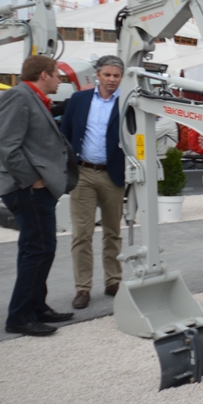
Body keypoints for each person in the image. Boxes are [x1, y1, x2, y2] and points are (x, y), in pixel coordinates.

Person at [0, 55, 79, 336]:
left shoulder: (32, 98)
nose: (59, 80)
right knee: (40, 250)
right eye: (57, 75)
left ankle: (36, 306)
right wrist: (34, 181)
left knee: (35, 250)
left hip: (33, 189)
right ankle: (19, 317)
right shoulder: (18, 97)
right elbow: (5, 145)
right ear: (44, 74)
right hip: (27, 189)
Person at [60, 55, 126, 310]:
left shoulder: (126, 102)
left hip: (113, 174)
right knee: (82, 234)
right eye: (107, 74)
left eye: (116, 75)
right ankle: (83, 288)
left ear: (121, 78)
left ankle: (113, 281)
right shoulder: (79, 100)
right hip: (84, 173)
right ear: (97, 75)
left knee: (113, 232)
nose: (111, 80)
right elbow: (65, 133)